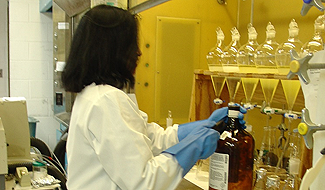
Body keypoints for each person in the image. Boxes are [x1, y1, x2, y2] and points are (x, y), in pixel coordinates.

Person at [61, 5, 246, 190]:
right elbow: (145, 182)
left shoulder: (93, 95)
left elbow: (149, 138)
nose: (138, 53)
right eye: (132, 44)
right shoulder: (106, 101)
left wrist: (198, 127)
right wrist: (193, 146)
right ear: (112, 50)